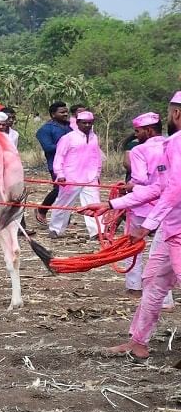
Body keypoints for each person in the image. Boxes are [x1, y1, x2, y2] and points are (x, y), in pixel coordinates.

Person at [84, 94, 181, 360]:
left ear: (176, 115)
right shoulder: (168, 144)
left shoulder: (175, 143)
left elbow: (174, 189)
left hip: (176, 230)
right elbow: (158, 188)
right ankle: (138, 341)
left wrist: (147, 225)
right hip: (171, 229)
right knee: (153, 281)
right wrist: (112, 205)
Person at [86, 112, 173, 305]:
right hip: (169, 209)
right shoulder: (172, 145)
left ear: (149, 130)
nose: (136, 135)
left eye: (138, 131)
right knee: (162, 252)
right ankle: (165, 299)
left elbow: (141, 180)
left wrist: (129, 187)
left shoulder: (139, 151)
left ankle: (134, 287)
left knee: (133, 246)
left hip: (143, 206)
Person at [49, 110, 103, 239]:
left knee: (94, 203)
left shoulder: (94, 137)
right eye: (84, 123)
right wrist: (60, 174)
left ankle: (97, 231)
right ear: (78, 123)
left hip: (91, 177)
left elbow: (97, 156)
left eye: (90, 123)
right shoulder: (68, 138)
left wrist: (98, 173)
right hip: (70, 177)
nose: (87, 126)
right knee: (64, 203)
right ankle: (55, 229)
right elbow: (59, 157)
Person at [35, 101, 71, 225]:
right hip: (56, 164)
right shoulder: (45, 129)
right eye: (62, 112)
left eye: (66, 112)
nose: (66, 114)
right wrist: (67, 147)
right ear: (53, 114)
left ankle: (64, 217)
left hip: (73, 164)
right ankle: (42, 209)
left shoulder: (70, 126)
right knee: (59, 189)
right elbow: (48, 147)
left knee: (71, 191)